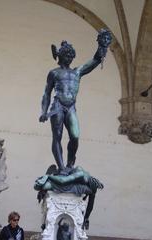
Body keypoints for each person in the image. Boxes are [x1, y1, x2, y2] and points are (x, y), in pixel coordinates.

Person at [39, 29, 112, 175]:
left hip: (71, 107)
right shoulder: (54, 73)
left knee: (75, 136)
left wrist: (102, 46)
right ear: (60, 56)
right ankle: (61, 168)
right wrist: (43, 112)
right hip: (58, 106)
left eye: (71, 55)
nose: (69, 58)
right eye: (66, 55)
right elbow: (46, 93)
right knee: (57, 136)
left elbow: (95, 60)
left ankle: (70, 164)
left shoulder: (77, 72)